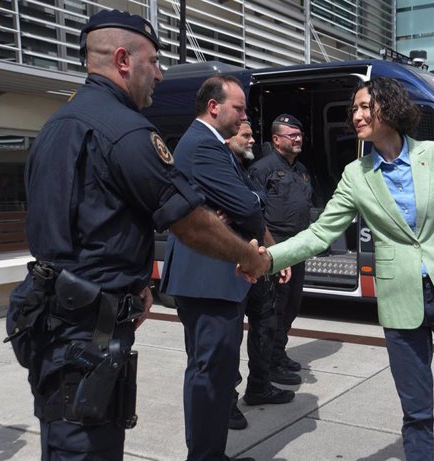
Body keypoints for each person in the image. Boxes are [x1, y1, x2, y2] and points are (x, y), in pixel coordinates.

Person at [4, 10, 266, 461]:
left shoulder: (56, 125)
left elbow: (88, 226)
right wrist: (251, 256)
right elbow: (191, 222)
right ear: (124, 59)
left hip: (56, 317)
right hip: (87, 333)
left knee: (64, 438)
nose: (160, 75)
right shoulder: (125, 132)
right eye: (155, 62)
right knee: (86, 447)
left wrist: (137, 284)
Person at [260, 78, 434, 461]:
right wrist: (270, 258)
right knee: (416, 410)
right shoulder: (356, 174)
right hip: (401, 298)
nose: (357, 115)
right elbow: (320, 233)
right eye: (354, 108)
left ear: (392, 107)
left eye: (366, 106)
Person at [159, 77, 289, 460]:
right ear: (214, 107)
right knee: (209, 373)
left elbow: (249, 198)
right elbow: (249, 204)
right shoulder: (203, 146)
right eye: (240, 108)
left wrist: (243, 203)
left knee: (213, 372)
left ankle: (210, 453)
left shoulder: (212, 146)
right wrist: (244, 203)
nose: (245, 116)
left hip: (212, 277)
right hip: (207, 278)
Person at [224, 121, 295, 431]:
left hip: (258, 261)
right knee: (229, 337)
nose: (253, 139)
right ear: (228, 137)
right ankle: (225, 403)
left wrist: (275, 254)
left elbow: (254, 215)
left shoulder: (242, 168)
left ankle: (259, 386)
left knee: (265, 322)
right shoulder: (218, 166)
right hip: (231, 265)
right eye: (245, 134)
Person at [248, 113, 314, 385]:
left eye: (299, 134)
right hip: (275, 249)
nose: (298, 138)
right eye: (292, 135)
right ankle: (269, 365)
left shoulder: (301, 170)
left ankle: (279, 353)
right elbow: (254, 213)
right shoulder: (262, 169)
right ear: (276, 140)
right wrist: (268, 250)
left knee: (291, 306)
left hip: (297, 248)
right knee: (272, 309)